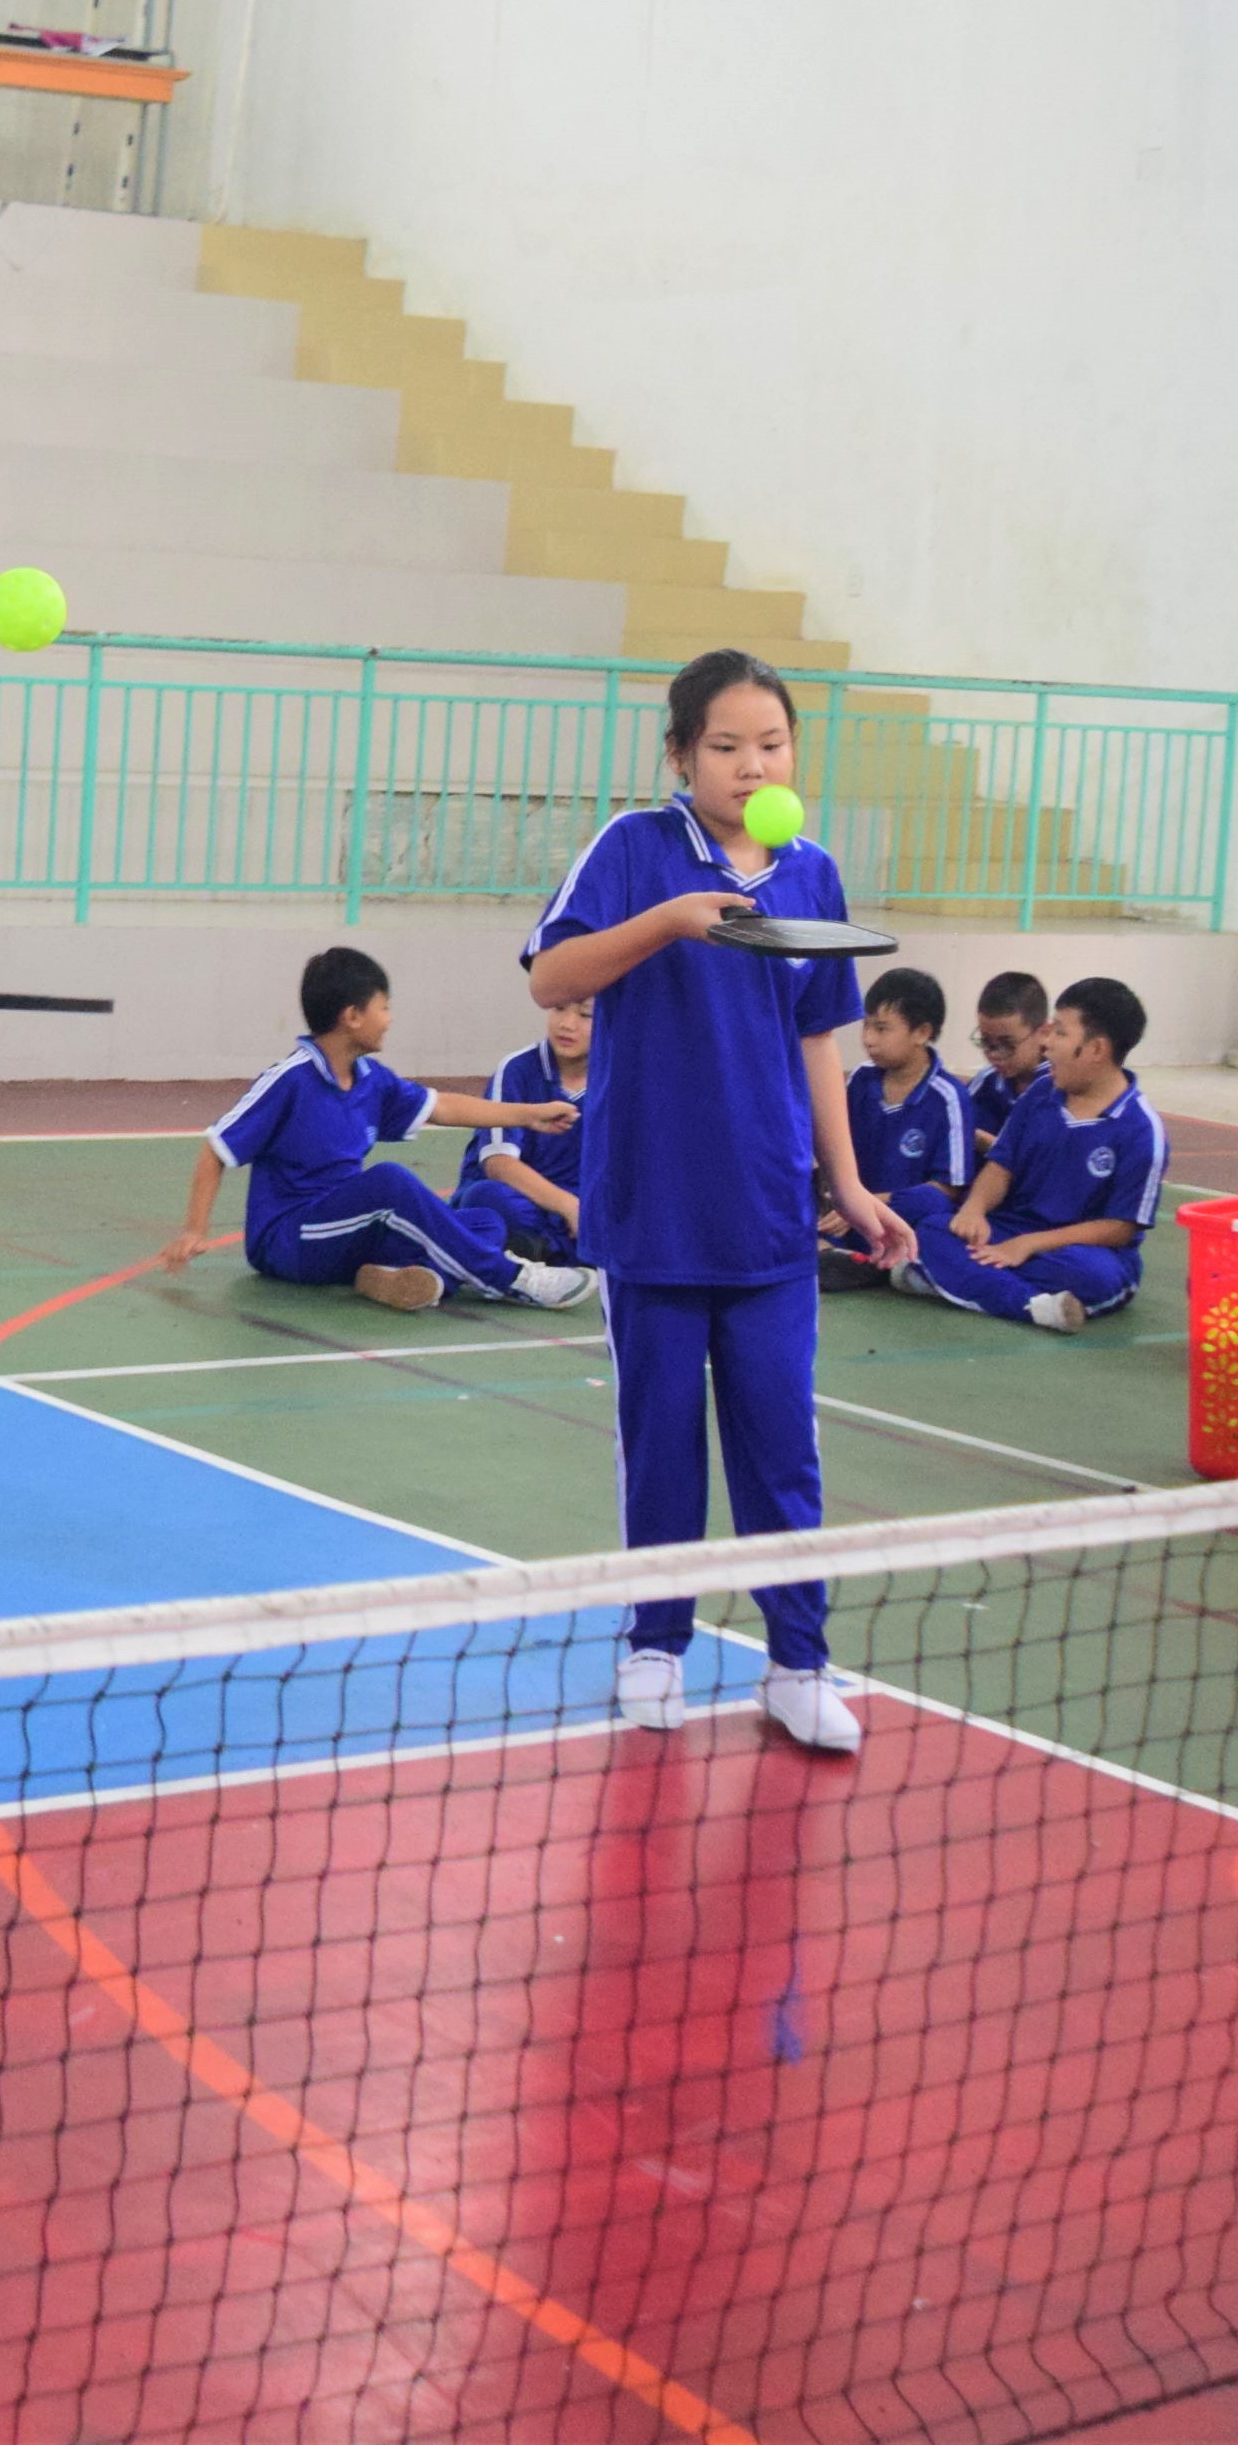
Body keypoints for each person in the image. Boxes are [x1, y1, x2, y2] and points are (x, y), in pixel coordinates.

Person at [525, 648, 915, 1757]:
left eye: (772, 744)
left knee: (777, 1444)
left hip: (765, 1213)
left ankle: (796, 1662)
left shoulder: (810, 872)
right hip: (650, 1203)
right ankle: (655, 1645)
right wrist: (668, 922)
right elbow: (552, 982)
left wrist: (844, 1183)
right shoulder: (633, 850)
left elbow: (815, 1041)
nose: (752, 766)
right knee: (660, 1442)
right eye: (726, 747)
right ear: (679, 756)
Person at [161, 949, 595, 1314]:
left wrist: (527, 1115)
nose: (389, 1019)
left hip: (350, 1227)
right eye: (383, 1007)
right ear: (352, 1016)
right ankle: (513, 1279)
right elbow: (216, 1149)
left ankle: (404, 1280)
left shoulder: (372, 1080)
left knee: (482, 1221)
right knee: (390, 1182)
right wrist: (194, 1230)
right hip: (290, 1239)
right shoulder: (290, 1081)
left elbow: (442, 1106)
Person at [892, 976, 1168, 1334]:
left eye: (1061, 1034)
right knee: (932, 1229)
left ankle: (945, 1280)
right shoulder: (1041, 1094)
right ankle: (1034, 1306)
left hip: (1075, 1250)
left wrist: (1028, 1244)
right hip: (1011, 1228)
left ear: (1097, 1049)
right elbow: (1001, 1165)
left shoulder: (1141, 1128)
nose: (1048, 1044)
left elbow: (1120, 1228)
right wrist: (974, 1210)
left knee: (1092, 1276)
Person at [826, 965, 970, 1283]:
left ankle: (869, 1259)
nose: (868, 1039)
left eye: (882, 1029)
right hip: (850, 1214)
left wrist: (872, 1203)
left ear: (921, 1032)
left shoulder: (948, 1097)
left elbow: (949, 1188)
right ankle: (854, 1257)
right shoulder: (860, 1082)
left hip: (898, 1214)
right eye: (866, 1026)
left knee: (934, 1209)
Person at [452, 998, 594, 1265]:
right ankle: (569, 1252)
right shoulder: (518, 1069)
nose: (566, 1024)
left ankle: (537, 1250)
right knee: (485, 1199)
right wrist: (569, 1206)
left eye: (586, 1015)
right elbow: (499, 1164)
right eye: (558, 1008)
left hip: (582, 1206)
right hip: (524, 1199)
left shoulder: (618, 1076)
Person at [966, 970, 1049, 1158]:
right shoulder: (985, 1082)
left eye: (1007, 1044)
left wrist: (990, 1145)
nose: (995, 1055)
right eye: (986, 1042)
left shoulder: (1058, 1089)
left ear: (1043, 1033)